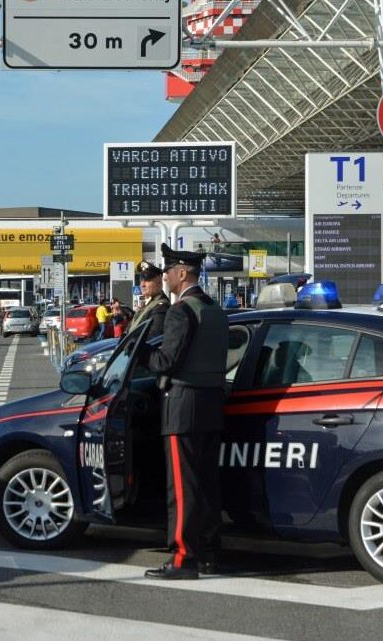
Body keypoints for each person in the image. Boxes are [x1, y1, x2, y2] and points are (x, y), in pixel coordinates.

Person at [142, 243, 228, 580]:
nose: (164, 277)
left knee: (182, 488)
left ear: (181, 274)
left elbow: (167, 361)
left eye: (167, 272)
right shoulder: (216, 311)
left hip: (182, 407)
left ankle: (182, 558)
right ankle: (207, 554)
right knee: (207, 485)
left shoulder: (181, 312)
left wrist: (140, 357)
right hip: (210, 405)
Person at [125, 261, 169, 338]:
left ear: (159, 281)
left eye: (147, 280)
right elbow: (130, 328)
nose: (142, 284)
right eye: (141, 279)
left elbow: (152, 337)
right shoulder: (147, 304)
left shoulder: (161, 306)